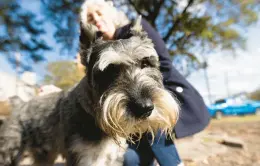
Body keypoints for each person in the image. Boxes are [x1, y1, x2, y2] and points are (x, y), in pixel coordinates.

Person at [82, 1, 210, 166]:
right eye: (90, 18)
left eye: (99, 13)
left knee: (153, 133)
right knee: (130, 159)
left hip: (165, 89)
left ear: (111, 13)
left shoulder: (135, 29)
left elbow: (163, 64)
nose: (96, 20)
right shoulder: (94, 53)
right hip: (125, 113)